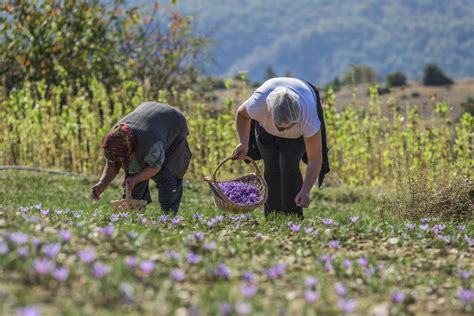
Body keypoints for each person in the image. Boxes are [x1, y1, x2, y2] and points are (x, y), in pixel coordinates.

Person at [233, 77, 329, 218]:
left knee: (289, 166)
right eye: (279, 126)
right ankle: (272, 217)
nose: (283, 131)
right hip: (265, 129)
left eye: (288, 126)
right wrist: (244, 143)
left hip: (297, 137)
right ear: (269, 112)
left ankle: (293, 218)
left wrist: (306, 191)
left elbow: (315, 159)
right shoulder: (258, 104)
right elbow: (241, 114)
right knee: (271, 168)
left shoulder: (308, 119)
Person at [91, 101, 192, 214]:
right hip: (149, 121)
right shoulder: (112, 141)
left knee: (167, 176)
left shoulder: (152, 142)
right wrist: (102, 183)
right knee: (133, 174)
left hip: (174, 123)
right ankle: (134, 215)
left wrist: (135, 179)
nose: (120, 161)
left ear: (131, 147)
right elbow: (111, 164)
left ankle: (168, 217)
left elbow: (155, 168)